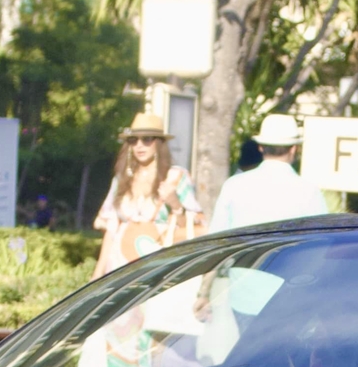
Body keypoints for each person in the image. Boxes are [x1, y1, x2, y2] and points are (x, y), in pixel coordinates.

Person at [93, 111, 203, 275]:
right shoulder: (121, 178)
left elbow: (192, 229)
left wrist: (175, 204)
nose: (139, 145)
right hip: (119, 266)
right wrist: (97, 274)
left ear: (159, 143)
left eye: (147, 139)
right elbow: (111, 229)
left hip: (157, 268)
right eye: (133, 140)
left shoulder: (176, 177)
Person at [208, 112, 327, 233]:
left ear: (260, 147)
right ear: (294, 149)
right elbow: (320, 240)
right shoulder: (309, 192)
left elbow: (216, 238)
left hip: (245, 252)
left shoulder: (233, 186)